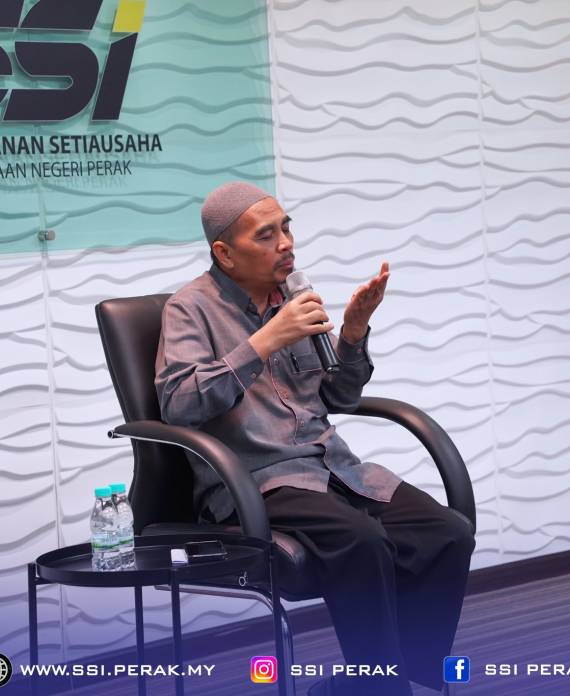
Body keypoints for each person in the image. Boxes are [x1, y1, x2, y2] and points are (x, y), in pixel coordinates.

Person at [155, 181, 475, 695]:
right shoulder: (189, 309)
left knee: (447, 532)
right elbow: (180, 404)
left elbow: (338, 397)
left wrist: (352, 335)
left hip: (332, 468)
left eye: (286, 228)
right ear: (225, 253)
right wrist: (265, 341)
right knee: (362, 541)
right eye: (266, 235)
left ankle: (392, 680)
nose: (286, 243)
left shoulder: (294, 296)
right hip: (256, 480)